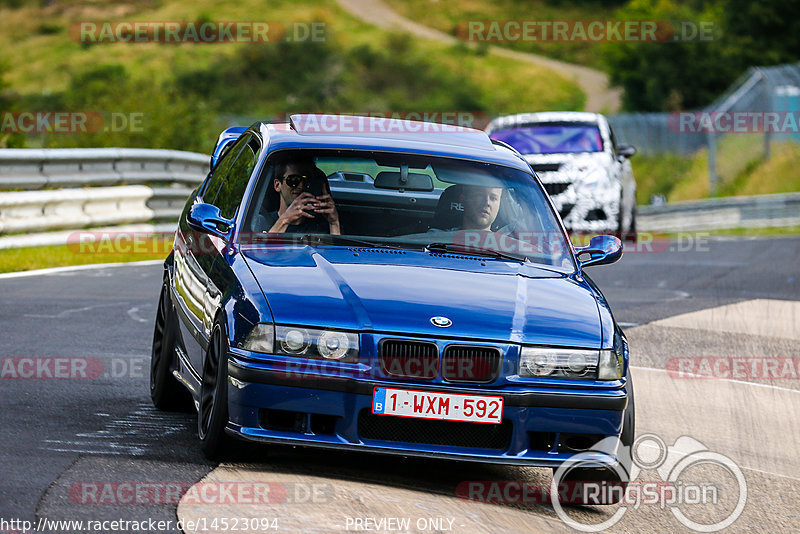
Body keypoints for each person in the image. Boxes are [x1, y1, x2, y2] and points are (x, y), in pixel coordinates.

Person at [265, 159, 341, 234]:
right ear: (277, 185)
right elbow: (263, 246)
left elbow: (336, 246)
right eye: (294, 180)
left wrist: (334, 223)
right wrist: (284, 221)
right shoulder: (261, 222)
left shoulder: (321, 225)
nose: (301, 186)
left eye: (307, 180)